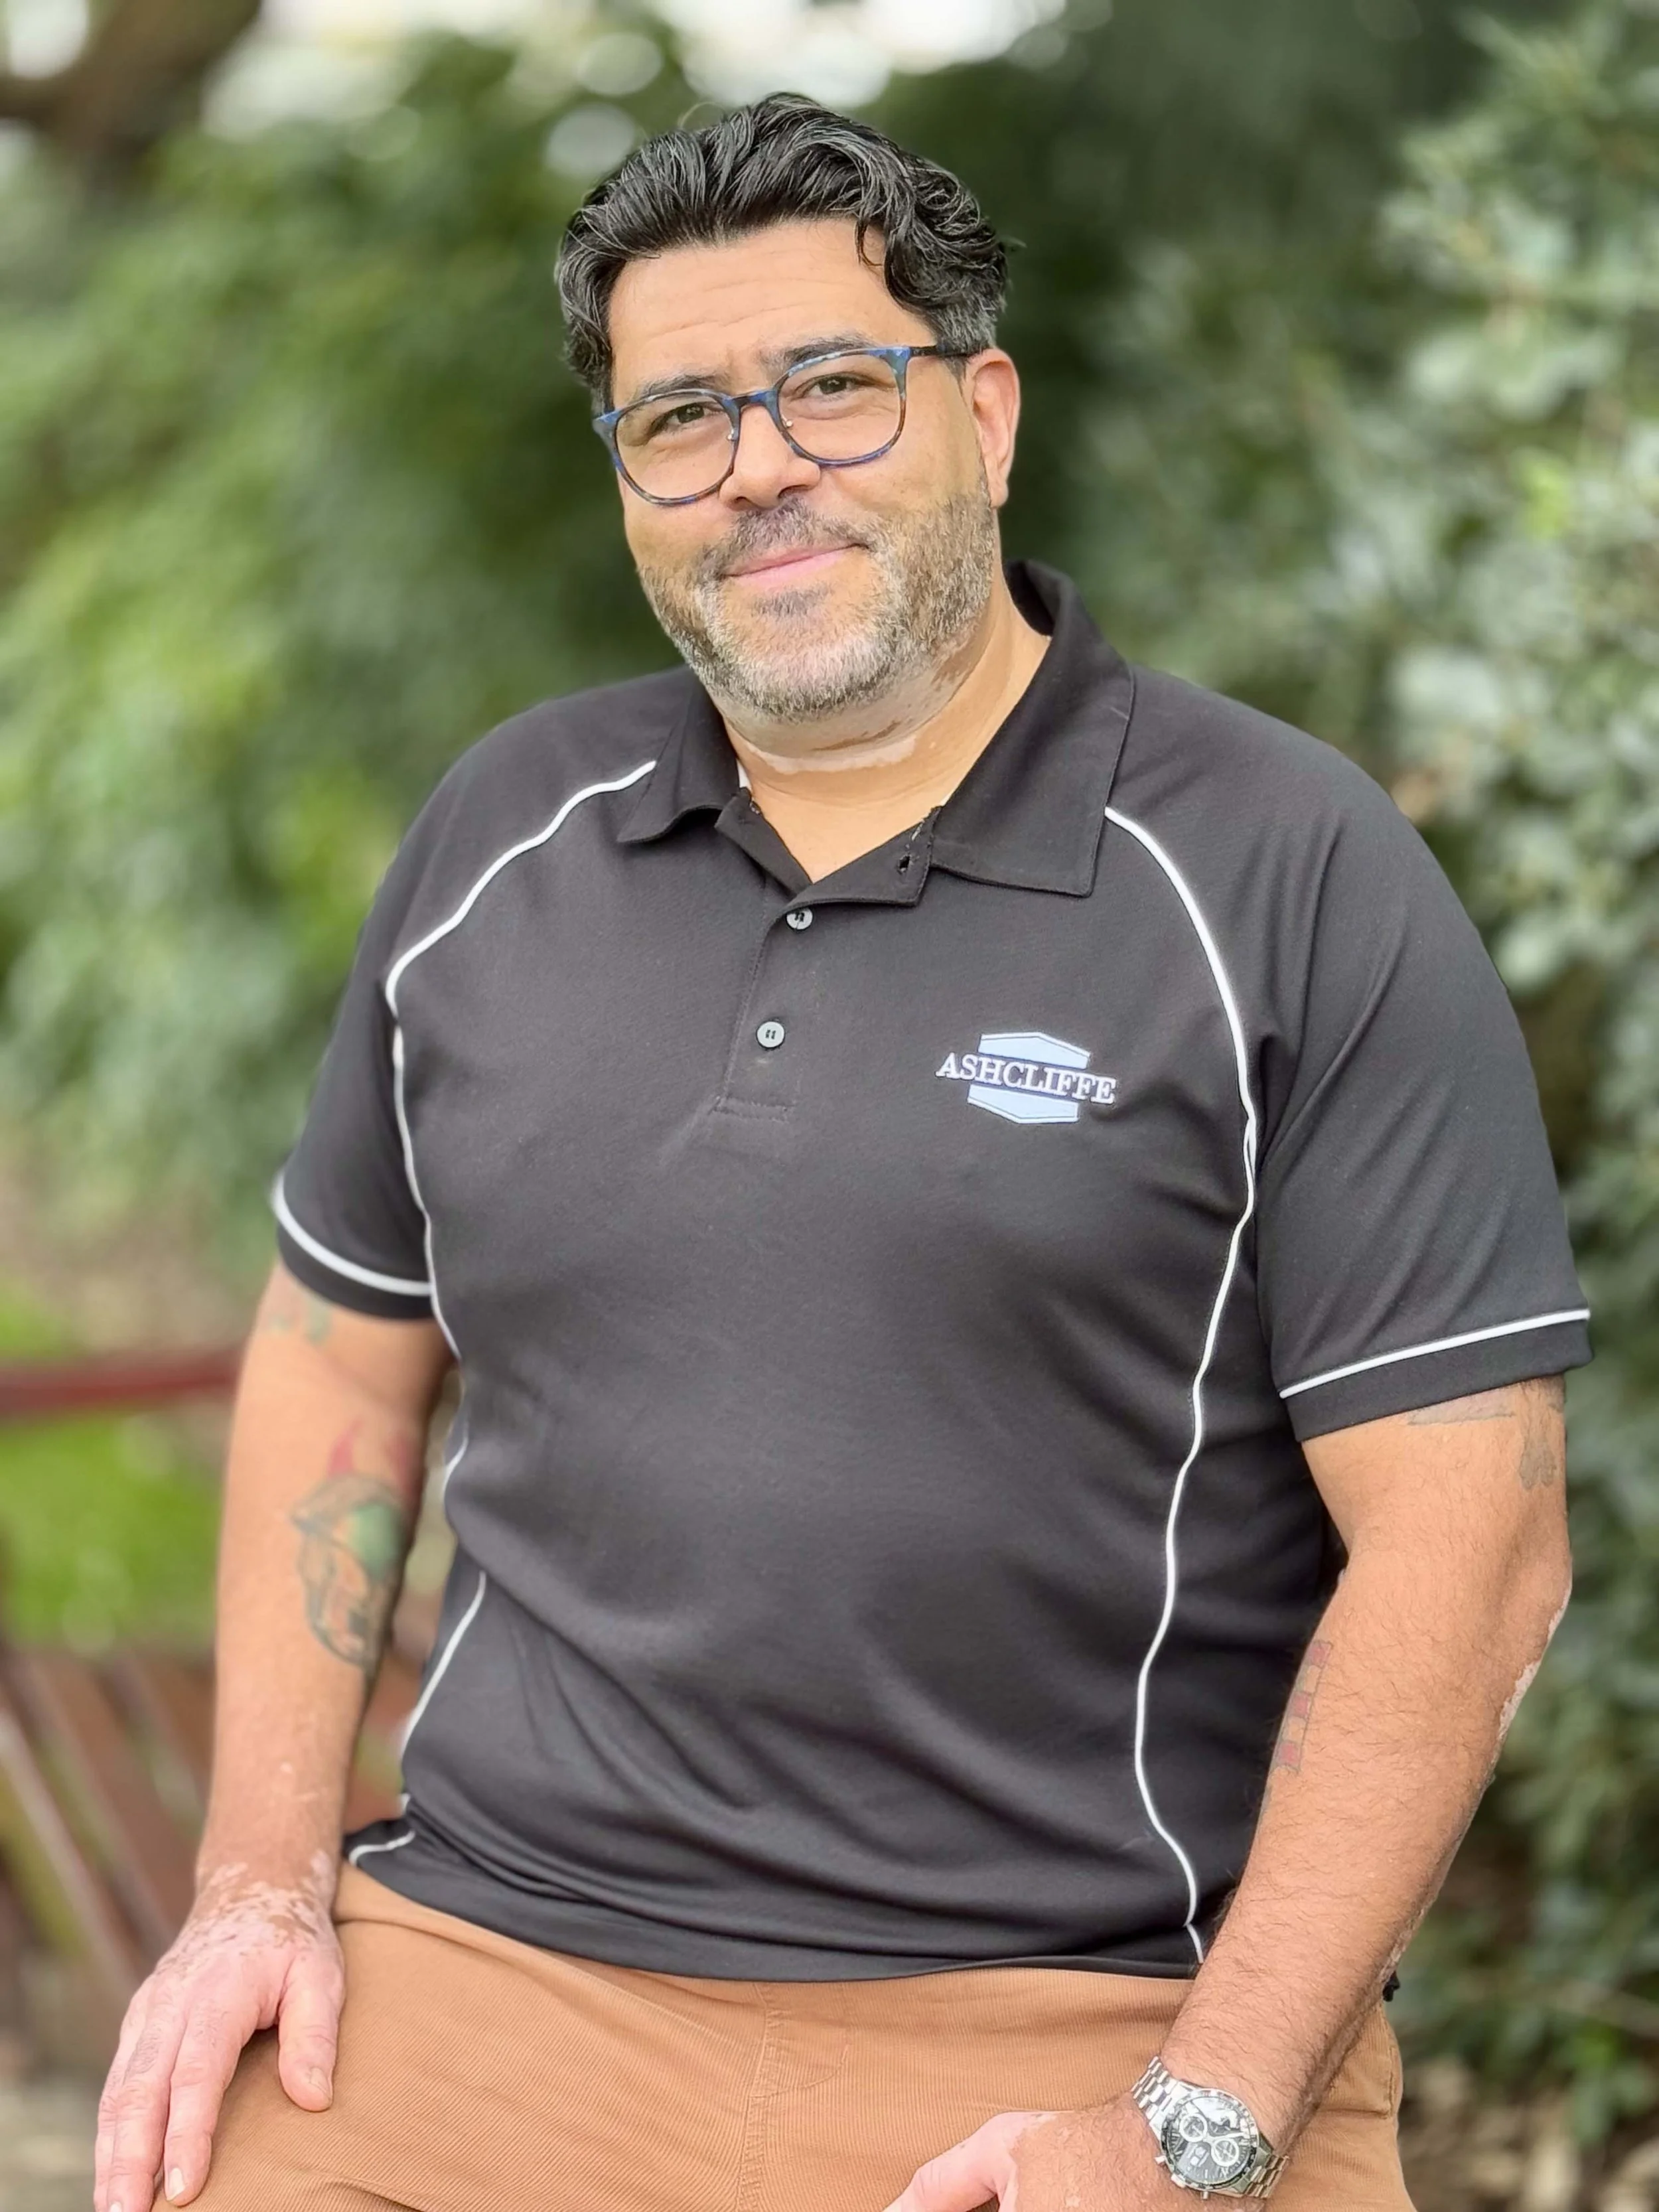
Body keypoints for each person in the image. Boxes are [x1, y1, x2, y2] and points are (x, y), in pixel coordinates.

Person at [96, 95, 1587, 2212]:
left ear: (981, 410)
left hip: (1088, 2017)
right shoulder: (497, 845)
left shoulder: (1280, 872)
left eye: (830, 385)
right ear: (627, 484)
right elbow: (339, 1353)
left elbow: (1474, 1543)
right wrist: (258, 1879)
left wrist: (1203, 2121)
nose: (760, 463)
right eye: (678, 416)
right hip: (492, 1976)